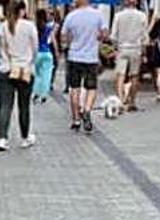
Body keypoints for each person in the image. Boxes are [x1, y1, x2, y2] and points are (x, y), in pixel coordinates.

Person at [0, 1, 38, 151]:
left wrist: (8, 61)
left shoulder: (3, 27)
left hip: (7, 69)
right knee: (24, 105)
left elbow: (1, 48)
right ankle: (25, 137)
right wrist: (28, 62)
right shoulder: (29, 26)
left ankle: (2, 138)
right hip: (25, 70)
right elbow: (35, 49)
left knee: (5, 105)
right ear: (22, 11)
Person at [61, 0, 107, 133]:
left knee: (74, 88)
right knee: (91, 87)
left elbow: (64, 37)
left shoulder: (71, 16)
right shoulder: (98, 15)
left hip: (74, 57)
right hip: (91, 58)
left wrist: (72, 41)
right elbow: (104, 34)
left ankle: (76, 119)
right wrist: (97, 37)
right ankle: (87, 110)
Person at [110, 0, 148, 110]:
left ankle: (120, 100)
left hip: (122, 48)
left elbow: (113, 36)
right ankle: (132, 101)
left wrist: (115, 47)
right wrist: (144, 51)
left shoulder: (118, 16)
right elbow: (144, 36)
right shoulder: (142, 16)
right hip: (136, 49)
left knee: (120, 75)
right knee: (134, 75)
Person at [33, 9, 55, 103]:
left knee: (37, 74)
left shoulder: (34, 27)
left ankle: (36, 93)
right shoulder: (48, 28)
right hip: (47, 52)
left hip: (37, 53)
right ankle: (44, 94)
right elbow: (52, 41)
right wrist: (57, 53)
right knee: (46, 75)